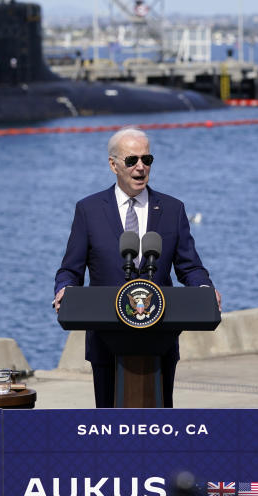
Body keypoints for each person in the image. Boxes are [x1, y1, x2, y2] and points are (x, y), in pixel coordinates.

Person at [53, 127, 222, 408]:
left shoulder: (172, 209)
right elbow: (70, 269)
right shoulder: (89, 210)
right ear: (113, 165)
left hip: (160, 338)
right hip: (106, 340)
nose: (141, 167)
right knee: (109, 428)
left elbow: (190, 266)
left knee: (159, 424)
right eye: (132, 160)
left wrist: (205, 290)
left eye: (147, 159)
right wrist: (64, 290)